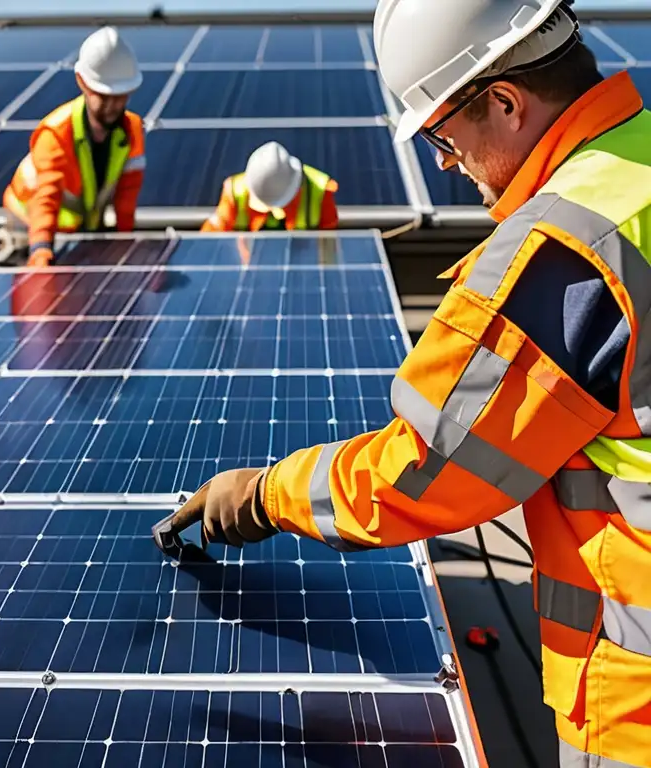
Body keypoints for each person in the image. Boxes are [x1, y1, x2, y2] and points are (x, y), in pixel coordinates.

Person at [169, 1, 651, 765]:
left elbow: (430, 470)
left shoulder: (562, 251)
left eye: (440, 132)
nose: (441, 161)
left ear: (504, 101)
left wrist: (267, 493)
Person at [2, 26, 147, 268]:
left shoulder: (132, 129)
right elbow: (45, 196)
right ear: (83, 84)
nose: (113, 105)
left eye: (120, 96)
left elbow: (127, 193)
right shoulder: (56, 132)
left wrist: (124, 241)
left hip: (79, 231)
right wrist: (40, 249)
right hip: (27, 226)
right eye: (104, 96)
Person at [201, 141, 338, 232]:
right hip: (249, 270)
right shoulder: (235, 192)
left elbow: (329, 249)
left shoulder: (320, 190)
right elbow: (212, 234)